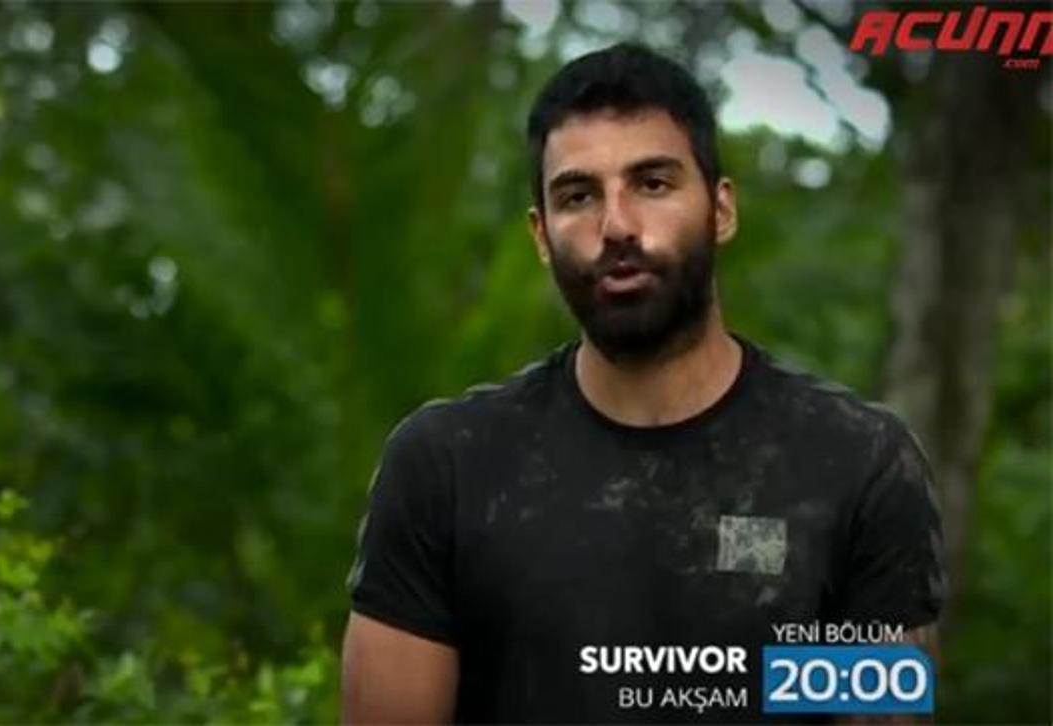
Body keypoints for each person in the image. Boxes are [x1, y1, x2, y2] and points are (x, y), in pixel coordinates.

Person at [340, 42, 945, 724]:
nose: (617, 226)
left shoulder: (854, 466)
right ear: (541, 235)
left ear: (721, 209)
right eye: (578, 196)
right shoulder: (448, 467)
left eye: (653, 184)